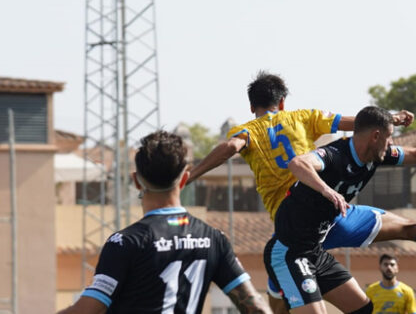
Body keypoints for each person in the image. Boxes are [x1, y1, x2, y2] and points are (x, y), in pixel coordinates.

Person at [189, 72, 416, 311]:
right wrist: (328, 189)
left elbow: (230, 147)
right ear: (284, 102)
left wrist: (192, 174)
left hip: (328, 220)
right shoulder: (307, 122)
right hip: (300, 223)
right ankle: (278, 284)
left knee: (410, 230)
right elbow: (344, 128)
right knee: (287, 265)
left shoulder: (247, 130)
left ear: (252, 106)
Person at [264, 106, 416, 314]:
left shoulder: (380, 153)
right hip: (289, 252)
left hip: (318, 247)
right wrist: (327, 190)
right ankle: (278, 286)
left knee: (364, 307)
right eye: (389, 137)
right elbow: (297, 163)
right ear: (375, 136)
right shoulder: (334, 155)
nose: (392, 143)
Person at [57, 131, 271, 314]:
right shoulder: (214, 239)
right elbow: (256, 307)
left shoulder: (125, 242)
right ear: (185, 179)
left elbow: (89, 309)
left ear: (136, 181)